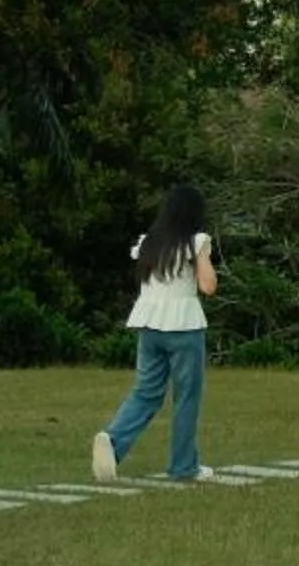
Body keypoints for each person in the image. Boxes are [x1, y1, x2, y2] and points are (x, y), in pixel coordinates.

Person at [93, 185, 218, 483]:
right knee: (186, 397)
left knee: (146, 392)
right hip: (184, 327)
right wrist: (205, 257)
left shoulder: (149, 243)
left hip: (149, 327)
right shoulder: (195, 241)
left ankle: (112, 440)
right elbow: (208, 286)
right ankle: (183, 466)